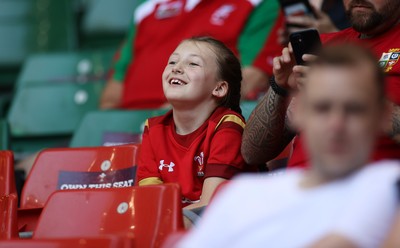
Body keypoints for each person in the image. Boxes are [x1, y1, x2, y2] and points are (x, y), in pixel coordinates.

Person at [176, 44, 400, 248]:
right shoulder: (244, 195)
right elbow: (251, 153)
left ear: (381, 115)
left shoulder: (389, 186)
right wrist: (280, 87)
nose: (336, 124)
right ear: (298, 112)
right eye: (322, 108)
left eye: (354, 109)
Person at [242, 0, 400, 168]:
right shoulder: (323, 45)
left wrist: (344, 90)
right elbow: (252, 153)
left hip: (369, 185)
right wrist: (280, 87)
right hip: (297, 185)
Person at [137, 37, 255, 222]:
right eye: (173, 61)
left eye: (193, 63)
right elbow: (151, 202)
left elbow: (210, 207)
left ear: (219, 88)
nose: (176, 68)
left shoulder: (227, 127)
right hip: (171, 226)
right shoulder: (153, 130)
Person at [99, 0, 280, 109]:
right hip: (131, 132)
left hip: (198, 129)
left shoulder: (260, 3)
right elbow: (112, 93)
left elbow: (251, 78)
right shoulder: (147, 7)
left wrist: (179, 113)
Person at [253, 0, 350, 77]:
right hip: (302, 72)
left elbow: (361, 45)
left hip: (336, 75)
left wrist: (330, 34)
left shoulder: (351, 7)